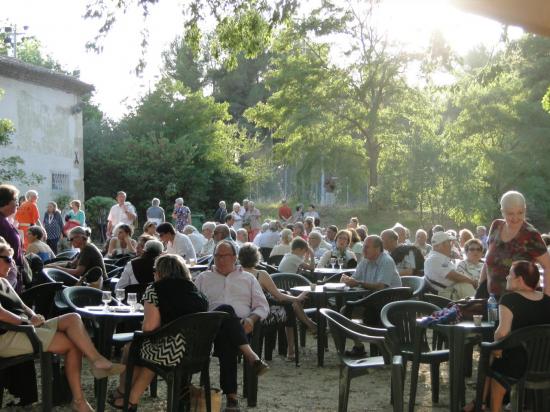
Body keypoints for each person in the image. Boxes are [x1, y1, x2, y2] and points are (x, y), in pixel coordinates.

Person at [0, 242, 124, 412]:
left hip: (24, 327)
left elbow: (24, 306)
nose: (12, 263)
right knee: (73, 345)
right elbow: (1, 314)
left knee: (73, 318)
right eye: (7, 258)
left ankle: (96, 361)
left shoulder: (4, 282)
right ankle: (79, 401)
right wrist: (27, 322)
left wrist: (33, 316)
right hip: (8, 335)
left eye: (13, 259)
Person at [109, 254, 208, 410]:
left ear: (161, 272)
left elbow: (149, 328)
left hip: (171, 352)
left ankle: (126, 395)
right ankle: (127, 396)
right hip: (198, 350)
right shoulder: (196, 291)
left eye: (154, 270)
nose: (153, 273)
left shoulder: (155, 289)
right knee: (145, 348)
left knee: (134, 347)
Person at [195, 241, 269, 410]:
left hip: (242, 328)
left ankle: (232, 397)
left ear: (234, 258)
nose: (220, 259)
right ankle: (251, 357)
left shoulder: (248, 278)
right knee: (225, 310)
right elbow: (195, 306)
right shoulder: (203, 278)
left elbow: (262, 306)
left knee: (228, 341)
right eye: (217, 256)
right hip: (210, 328)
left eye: (224, 256)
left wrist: (251, 319)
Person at [470, 261, 550, 412]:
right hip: (544, 365)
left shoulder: (509, 299)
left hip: (517, 365)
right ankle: (479, 403)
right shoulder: (547, 300)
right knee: (495, 357)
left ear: (519, 280)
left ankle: (490, 406)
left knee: (493, 360)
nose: (507, 277)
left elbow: (502, 333)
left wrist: (495, 348)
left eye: (510, 274)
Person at [238, 243, 315, 360]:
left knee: (290, 303)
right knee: (290, 308)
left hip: (241, 313)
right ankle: (291, 350)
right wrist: (297, 298)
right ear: (256, 258)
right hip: (262, 315)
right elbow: (279, 297)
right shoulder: (260, 274)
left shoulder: (235, 273)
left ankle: (309, 325)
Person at [480, 190, 550, 298]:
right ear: (502, 211)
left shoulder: (531, 235)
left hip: (520, 303)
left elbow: (548, 267)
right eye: (510, 213)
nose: (516, 218)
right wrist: (480, 289)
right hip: (492, 298)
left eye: (520, 212)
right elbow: (488, 262)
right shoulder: (496, 226)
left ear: (525, 209)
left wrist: (546, 300)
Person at [424, 231, 477, 299]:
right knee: (465, 285)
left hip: (450, 291)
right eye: (449, 242)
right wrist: (473, 282)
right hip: (445, 296)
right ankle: (478, 305)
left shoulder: (437, 257)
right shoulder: (434, 259)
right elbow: (455, 276)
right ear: (440, 245)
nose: (451, 245)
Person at [0, 185, 25, 292]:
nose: (17, 203)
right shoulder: (1, 222)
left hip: (11, 278)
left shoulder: (4, 220)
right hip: (5, 282)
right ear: (6, 202)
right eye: (15, 200)